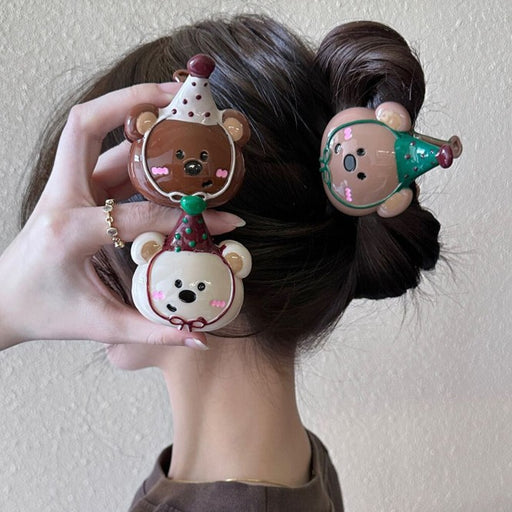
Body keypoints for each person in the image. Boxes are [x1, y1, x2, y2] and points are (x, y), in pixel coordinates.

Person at [0, 14, 444, 512]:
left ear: (169, 245)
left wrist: (7, 305)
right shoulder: (301, 465)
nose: (64, 252)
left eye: (95, 214)